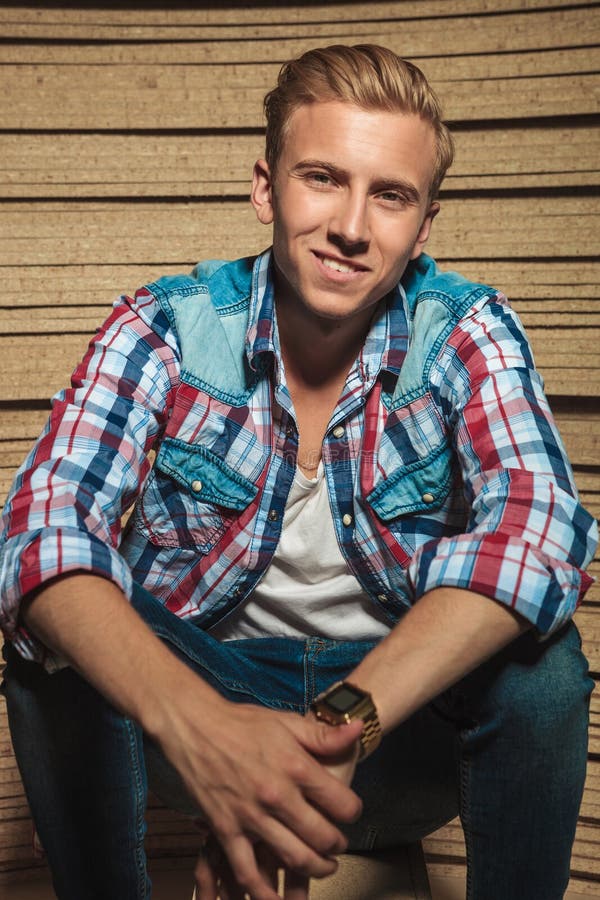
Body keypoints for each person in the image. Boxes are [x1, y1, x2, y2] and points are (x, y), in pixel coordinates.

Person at [0, 43, 597, 900]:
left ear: (424, 225)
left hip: (395, 739)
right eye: (323, 177)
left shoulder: (466, 330)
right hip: (211, 711)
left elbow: (538, 532)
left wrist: (336, 735)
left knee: (545, 672)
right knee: (57, 633)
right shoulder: (165, 328)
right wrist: (210, 737)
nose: (352, 226)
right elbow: (40, 532)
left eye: (389, 195)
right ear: (264, 188)